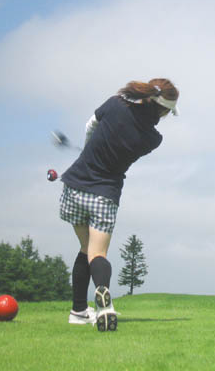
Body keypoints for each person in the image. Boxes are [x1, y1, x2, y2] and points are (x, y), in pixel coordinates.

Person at [58, 78, 179, 332]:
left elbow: (90, 125)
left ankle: (78, 311)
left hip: (75, 185)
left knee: (84, 249)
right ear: (163, 111)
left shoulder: (116, 104)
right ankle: (104, 300)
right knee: (97, 254)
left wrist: (89, 148)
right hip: (104, 194)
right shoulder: (152, 139)